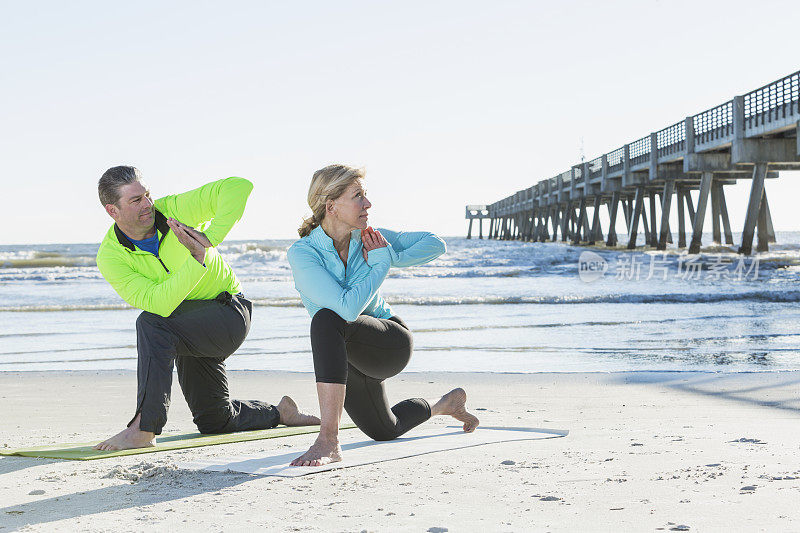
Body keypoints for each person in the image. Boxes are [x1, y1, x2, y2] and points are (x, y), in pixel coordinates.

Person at [93, 166, 318, 451]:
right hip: (184, 327)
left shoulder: (174, 209)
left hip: (228, 312)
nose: (148, 204)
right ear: (113, 211)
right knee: (214, 420)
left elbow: (238, 185)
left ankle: (143, 428)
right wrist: (196, 259)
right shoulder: (111, 256)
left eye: (147, 195)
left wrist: (209, 239)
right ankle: (280, 412)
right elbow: (159, 303)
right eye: (136, 200)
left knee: (149, 325)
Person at [286, 164, 479, 466]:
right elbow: (346, 307)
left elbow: (435, 244)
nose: (368, 204)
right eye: (358, 196)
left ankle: (328, 440)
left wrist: (385, 257)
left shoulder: (371, 238)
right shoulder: (303, 253)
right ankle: (446, 405)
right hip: (349, 356)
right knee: (384, 429)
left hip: (389, 342)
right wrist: (381, 261)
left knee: (325, 320)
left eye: (365, 195)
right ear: (331, 205)